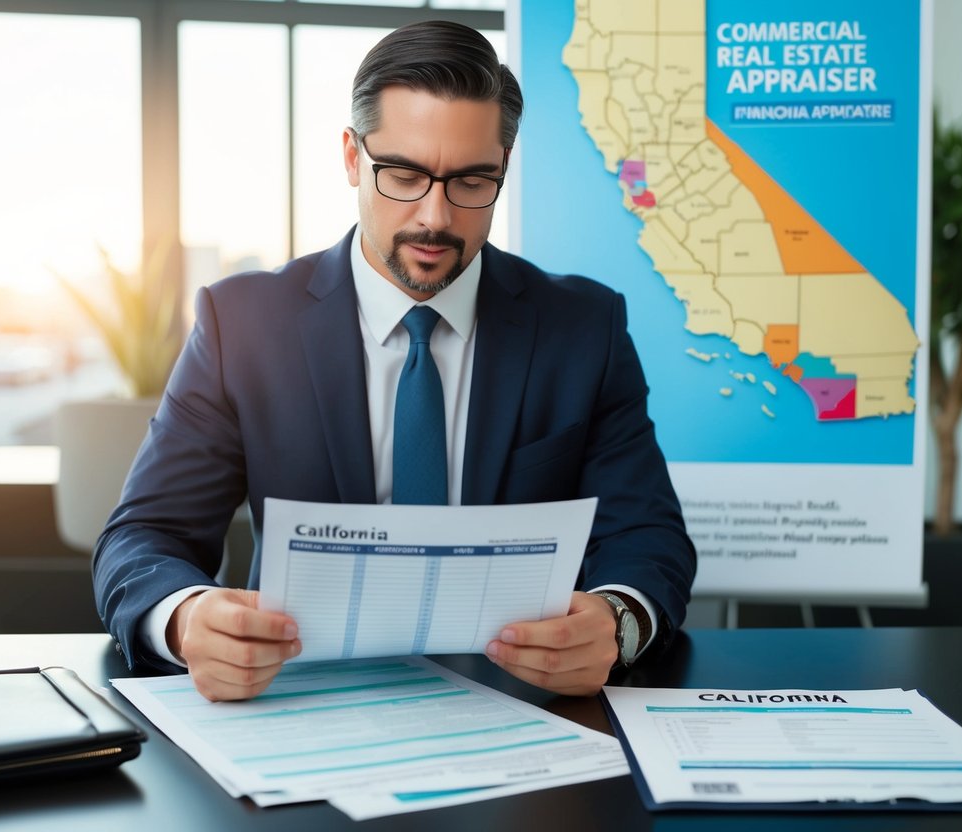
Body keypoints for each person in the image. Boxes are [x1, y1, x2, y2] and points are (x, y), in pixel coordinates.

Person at [93, 20, 695, 702]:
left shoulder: (582, 327)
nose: (434, 217)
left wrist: (618, 619)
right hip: (303, 702)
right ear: (352, 157)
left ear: (503, 166)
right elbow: (146, 534)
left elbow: (646, 534)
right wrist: (186, 619)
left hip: (519, 703)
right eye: (403, 174)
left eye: (472, 181)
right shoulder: (243, 325)